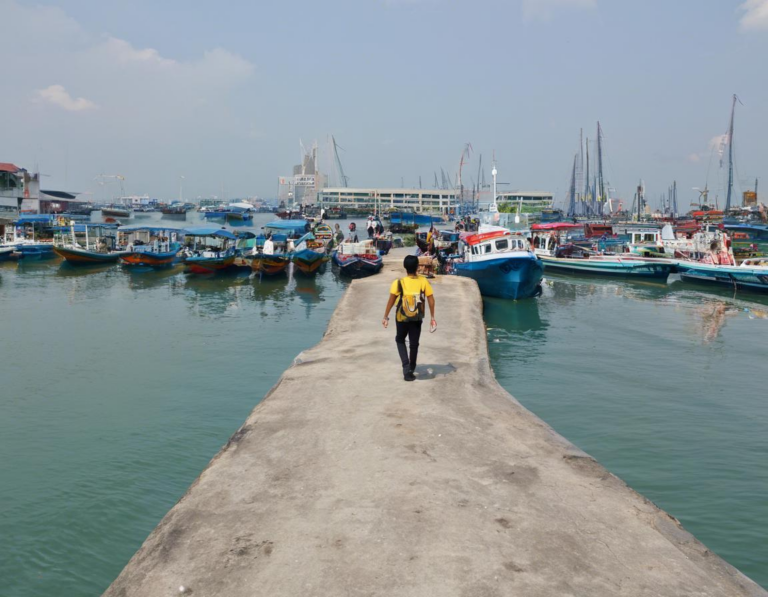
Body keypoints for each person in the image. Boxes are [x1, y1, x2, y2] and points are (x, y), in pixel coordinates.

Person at [382, 255, 436, 382]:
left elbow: (391, 300)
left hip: (401, 317)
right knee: (414, 344)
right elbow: (431, 300)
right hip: (417, 317)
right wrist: (432, 317)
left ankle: (406, 369)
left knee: (400, 340)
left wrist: (386, 316)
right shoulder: (423, 281)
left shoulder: (398, 282)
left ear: (404, 267)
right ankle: (411, 368)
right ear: (418, 267)